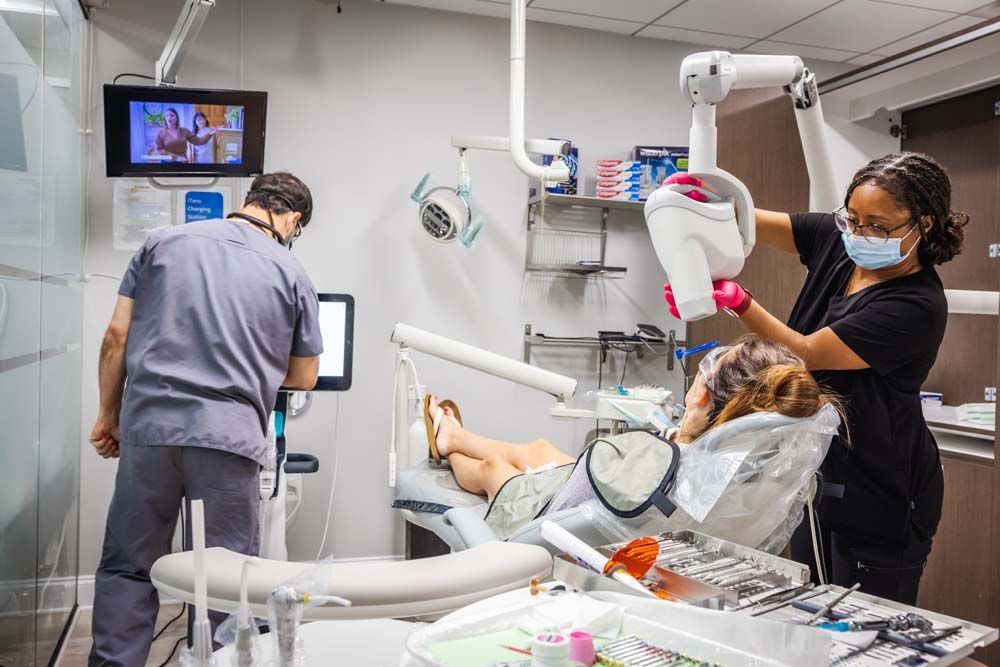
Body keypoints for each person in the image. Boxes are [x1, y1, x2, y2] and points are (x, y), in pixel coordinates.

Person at [663, 152, 968, 605]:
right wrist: (701, 203)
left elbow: (804, 354)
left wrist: (738, 301)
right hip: (816, 469)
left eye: (878, 226)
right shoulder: (840, 241)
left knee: (866, 625)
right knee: (809, 607)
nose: (861, 233)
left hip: (880, 485)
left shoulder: (915, 306)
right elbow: (745, 222)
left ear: (922, 224)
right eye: (853, 219)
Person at [87, 172, 323, 667]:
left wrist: (109, 416)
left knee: (129, 568)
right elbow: (303, 376)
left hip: (149, 430)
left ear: (248, 202)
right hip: (228, 438)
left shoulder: (163, 241)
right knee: (224, 578)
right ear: (292, 219)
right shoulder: (290, 268)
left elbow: (115, 337)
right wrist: (246, 358)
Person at [427, 335, 837, 502]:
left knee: (495, 467)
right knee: (539, 449)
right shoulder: (725, 464)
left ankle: (452, 449)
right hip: (598, 495)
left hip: (569, 515)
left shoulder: (664, 460)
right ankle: (457, 435)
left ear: (702, 394)